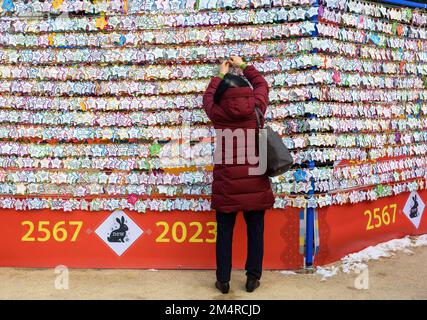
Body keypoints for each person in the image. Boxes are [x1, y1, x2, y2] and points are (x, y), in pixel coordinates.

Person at [202, 56, 275, 294]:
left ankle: (223, 280)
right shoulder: (256, 106)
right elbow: (262, 84)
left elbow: (207, 98)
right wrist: (244, 66)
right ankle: (253, 278)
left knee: (224, 233)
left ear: (223, 92)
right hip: (255, 178)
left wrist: (219, 74)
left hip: (227, 184)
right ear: (247, 91)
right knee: (256, 232)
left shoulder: (218, 112)